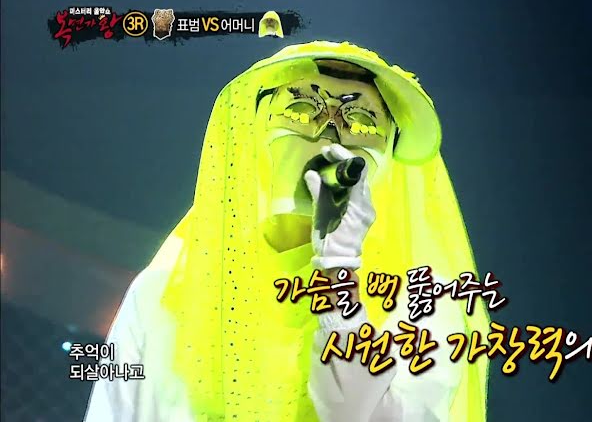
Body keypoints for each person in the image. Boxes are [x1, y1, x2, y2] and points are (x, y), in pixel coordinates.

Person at [84, 41, 490, 422]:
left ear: (388, 156)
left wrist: (338, 271)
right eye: (301, 109)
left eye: (361, 121)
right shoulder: (162, 294)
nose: (329, 133)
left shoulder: (424, 302)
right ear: (259, 131)